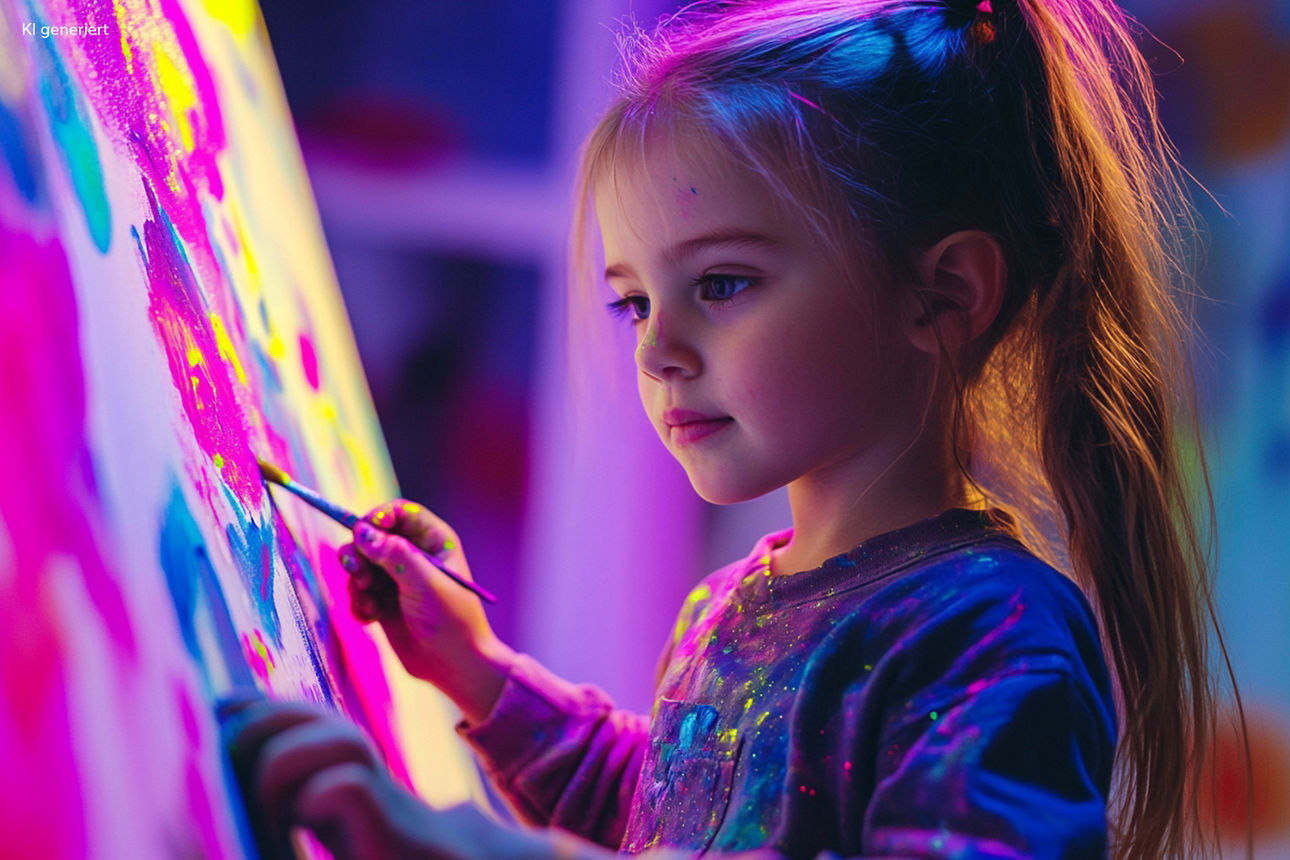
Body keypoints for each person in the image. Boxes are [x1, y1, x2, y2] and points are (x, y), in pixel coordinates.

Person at [226, 0, 1247, 857]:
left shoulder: (991, 631)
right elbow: (665, 814)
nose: (658, 350)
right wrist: (480, 669)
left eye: (721, 282)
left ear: (942, 294)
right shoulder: (736, 601)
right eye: (635, 301)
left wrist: (477, 845)